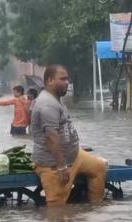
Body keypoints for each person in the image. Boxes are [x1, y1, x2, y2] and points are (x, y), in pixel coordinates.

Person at [30, 65, 107, 206]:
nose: (67, 82)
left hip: (74, 155)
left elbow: (63, 129)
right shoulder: (47, 104)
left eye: (67, 79)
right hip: (53, 163)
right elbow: (51, 137)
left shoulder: (56, 98)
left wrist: (73, 145)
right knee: (57, 212)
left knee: (99, 167)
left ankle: (96, 207)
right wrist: (61, 167)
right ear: (50, 80)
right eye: (62, 79)